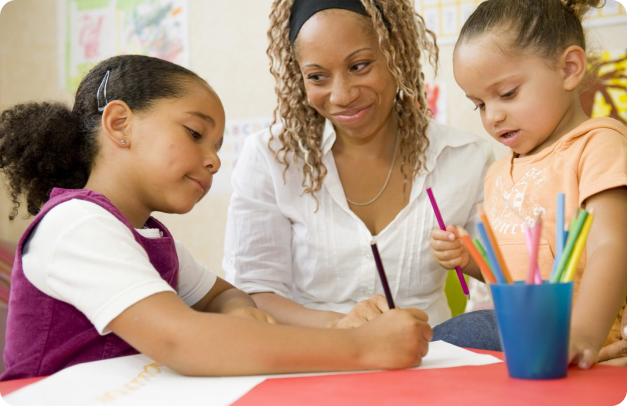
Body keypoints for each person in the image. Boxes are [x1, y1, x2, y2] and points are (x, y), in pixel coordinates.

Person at [0, 55, 433, 380]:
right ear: (119, 124)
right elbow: (182, 340)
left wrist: (238, 312)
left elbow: (223, 295)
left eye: (218, 147)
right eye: (195, 134)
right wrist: (358, 345)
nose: (213, 162)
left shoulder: (146, 235)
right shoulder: (77, 226)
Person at [224, 0, 498, 348]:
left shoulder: (466, 158)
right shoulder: (270, 158)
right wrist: (343, 326)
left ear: (395, 55)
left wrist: (470, 257)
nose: (342, 95)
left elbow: (510, 271)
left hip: (432, 360)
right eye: (317, 77)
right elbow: (253, 292)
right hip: (313, 360)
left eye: (360, 66)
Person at [432, 0, 627, 368]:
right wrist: (471, 260)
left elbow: (612, 245)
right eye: (479, 104)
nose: (493, 116)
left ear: (569, 69)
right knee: (444, 342)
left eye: (506, 93)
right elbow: (511, 277)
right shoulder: (498, 173)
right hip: (522, 342)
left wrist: (583, 334)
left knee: (449, 338)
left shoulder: (598, 144)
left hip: (579, 343)